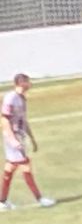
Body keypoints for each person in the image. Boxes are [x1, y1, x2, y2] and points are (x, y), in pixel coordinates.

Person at [0, 75, 55, 211]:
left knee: (10, 168)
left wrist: (32, 138)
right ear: (21, 83)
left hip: (19, 136)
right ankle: (40, 199)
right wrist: (13, 140)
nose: (30, 84)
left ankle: (2, 201)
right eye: (28, 81)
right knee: (25, 165)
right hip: (13, 137)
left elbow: (23, 121)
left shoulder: (22, 98)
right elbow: (4, 120)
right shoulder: (11, 98)